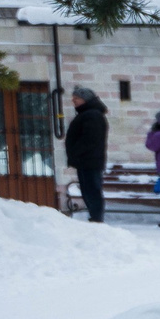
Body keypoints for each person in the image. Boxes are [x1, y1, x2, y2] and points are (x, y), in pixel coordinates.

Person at [64, 86, 109, 222]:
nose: (73, 101)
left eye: (76, 98)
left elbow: (90, 139)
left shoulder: (92, 115)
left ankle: (96, 218)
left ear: (85, 99)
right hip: (86, 161)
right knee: (88, 190)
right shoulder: (88, 114)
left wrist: (76, 152)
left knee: (91, 190)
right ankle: (95, 217)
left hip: (89, 161)